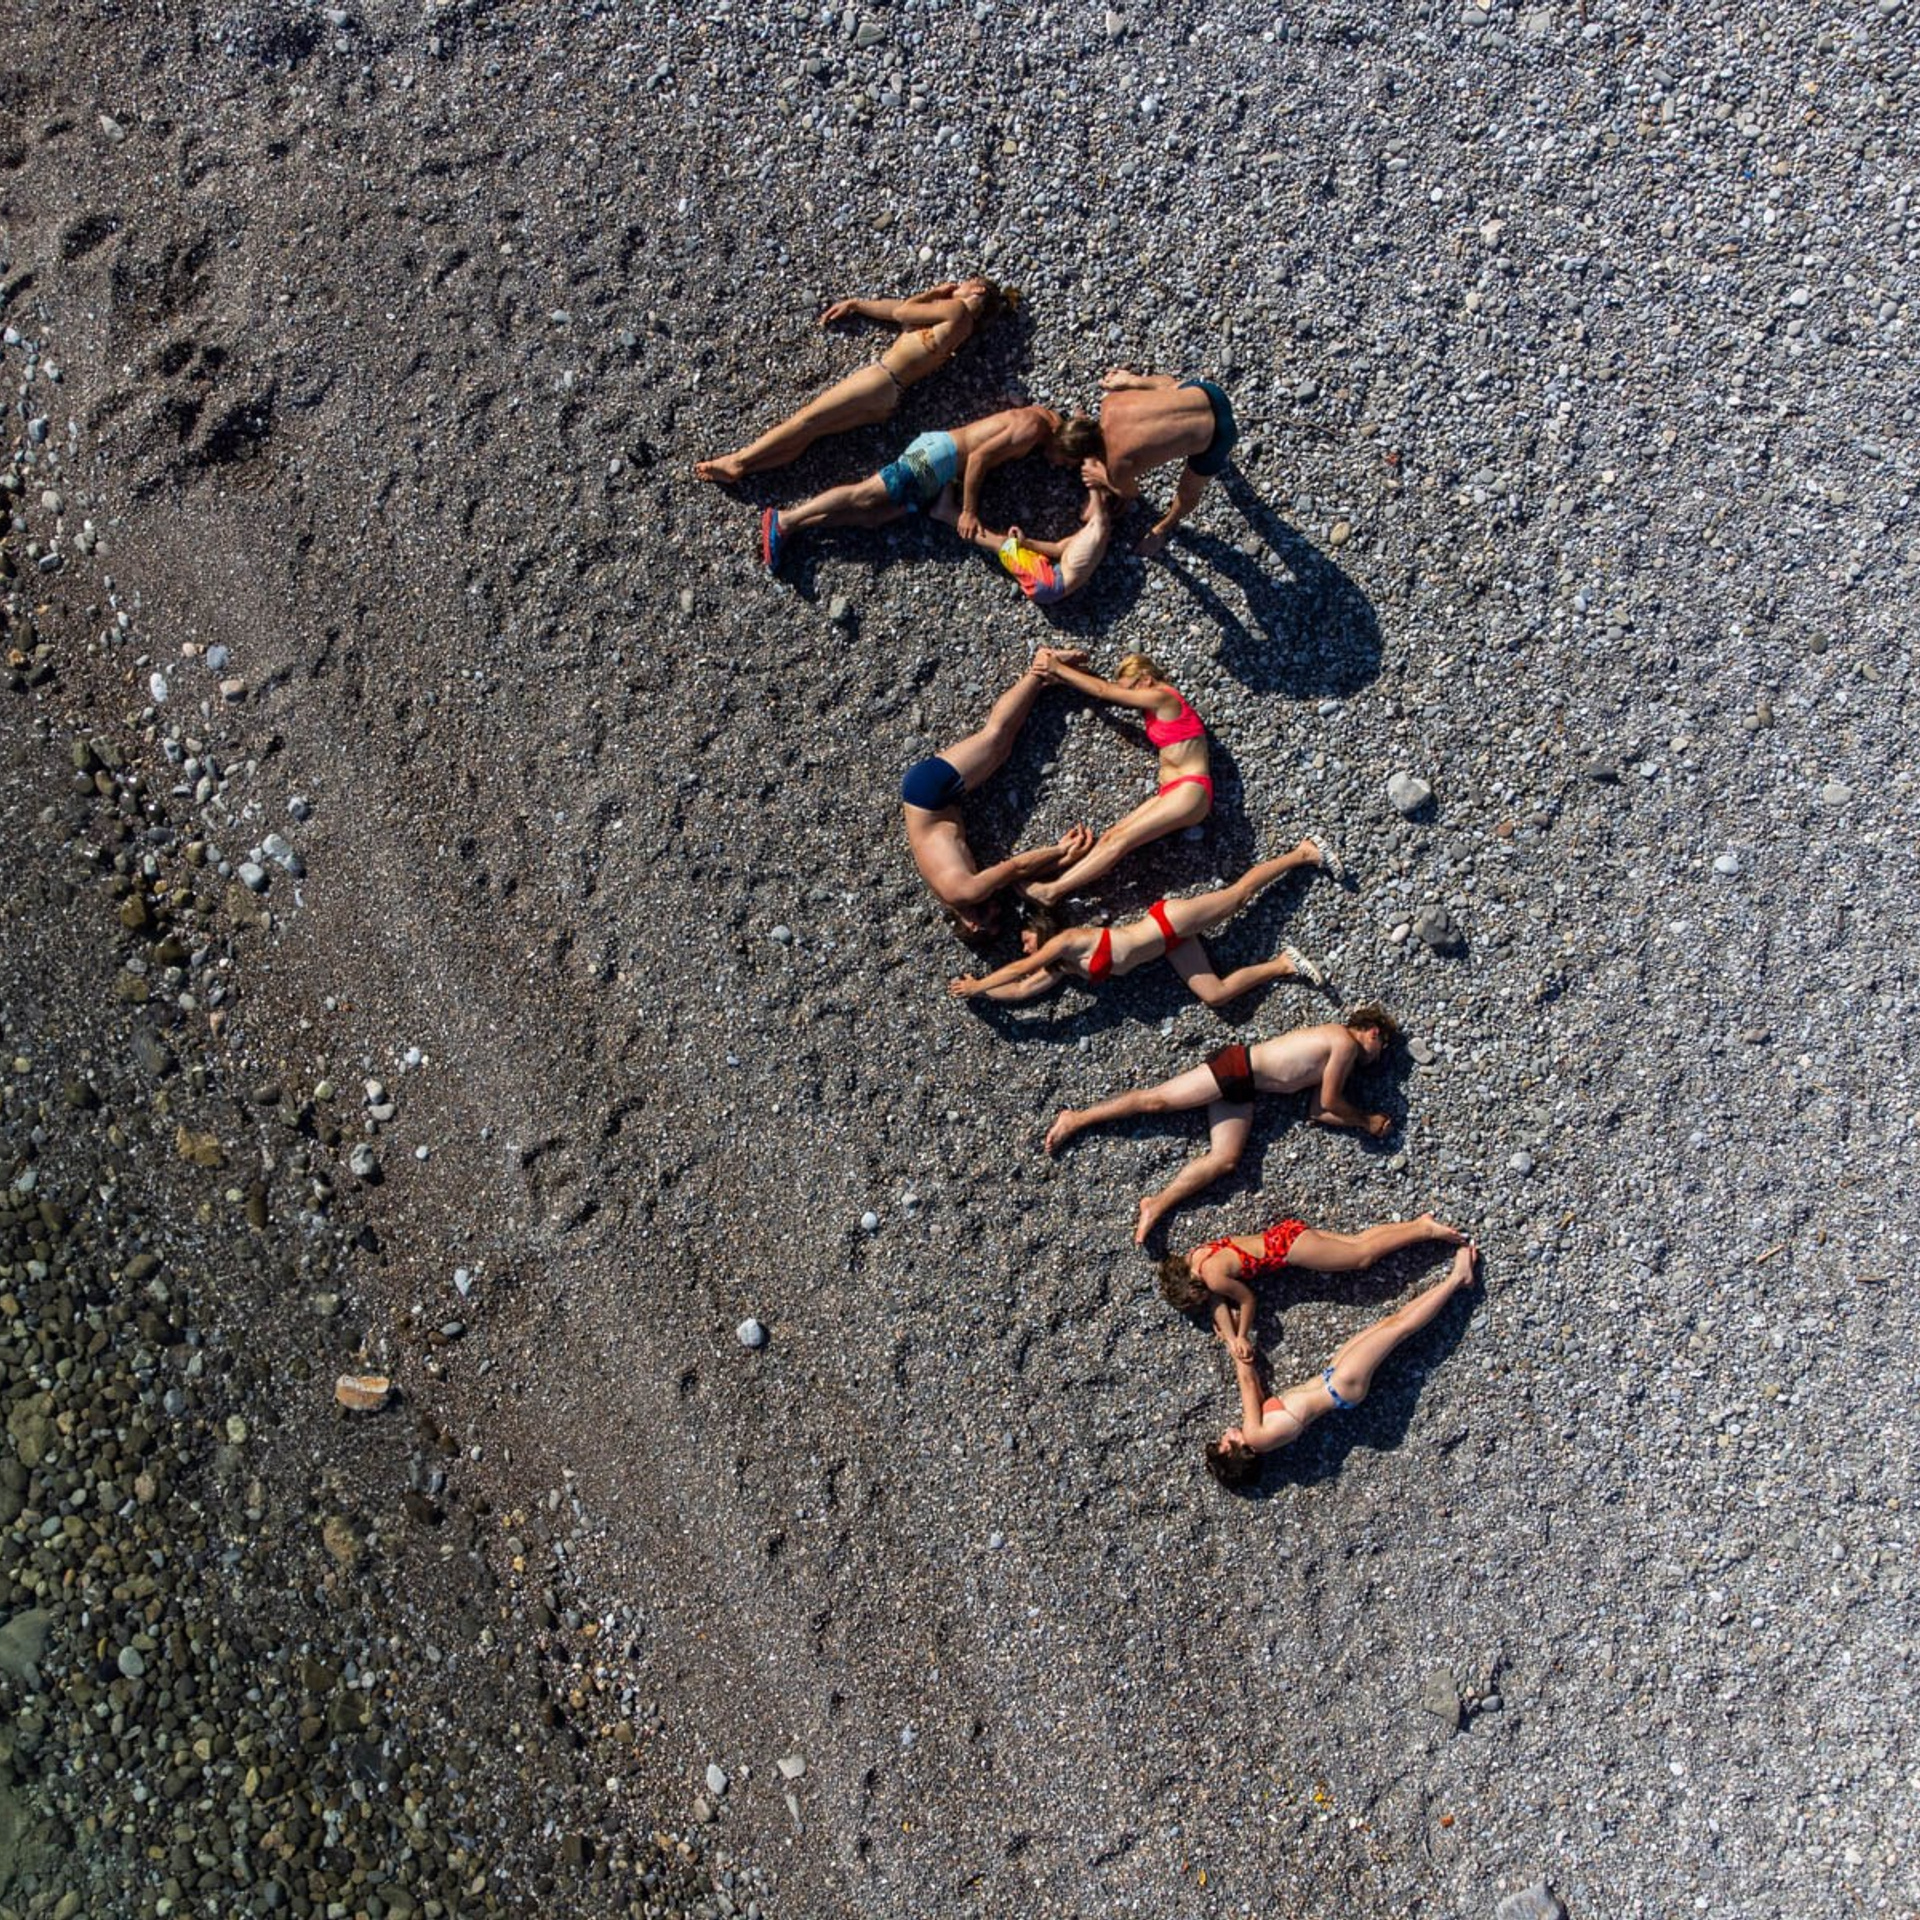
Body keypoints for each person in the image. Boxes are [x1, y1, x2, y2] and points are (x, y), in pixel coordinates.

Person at [1042, 1007, 1401, 1244]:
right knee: (1156, 1101)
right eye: (1381, 1047)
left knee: (1225, 1160)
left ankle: (1156, 1203)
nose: (1378, 1056)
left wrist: (1361, 1124)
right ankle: (1077, 1118)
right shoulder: (1344, 1042)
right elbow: (1333, 1101)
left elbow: (1319, 1110)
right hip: (1236, 1068)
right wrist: (1367, 1121)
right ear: (1372, 1031)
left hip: (1245, 1087)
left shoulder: (1341, 1052)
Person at [694, 277, 1017, 485]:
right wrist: (858, 305)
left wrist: (933, 292)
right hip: (890, 396)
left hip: (879, 379)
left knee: (805, 419)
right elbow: (899, 314)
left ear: (977, 290)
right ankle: (746, 469)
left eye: (965, 282)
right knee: (813, 432)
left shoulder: (958, 308)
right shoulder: (963, 329)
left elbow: (905, 312)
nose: (957, 284)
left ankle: (738, 460)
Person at [1204, 1243, 1480, 1486]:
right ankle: (1457, 1279)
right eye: (1223, 1442)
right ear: (1231, 1452)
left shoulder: (1263, 1439)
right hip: (1340, 1384)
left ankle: (1454, 1281)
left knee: (1392, 1324)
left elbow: (1255, 1385)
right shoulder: (1255, 1436)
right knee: (1399, 1328)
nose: (1225, 1434)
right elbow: (1248, 1383)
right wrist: (1234, 1341)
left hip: (1335, 1382)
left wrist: (1237, 1339)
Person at [947, 837, 1338, 1007]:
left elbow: (1019, 968)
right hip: (1172, 945)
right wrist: (978, 992)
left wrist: (982, 980)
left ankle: (1303, 853)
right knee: (1216, 995)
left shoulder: (1066, 942)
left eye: (1026, 938)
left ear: (1041, 928)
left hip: (1169, 921)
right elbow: (1021, 989)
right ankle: (1286, 963)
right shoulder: (1063, 968)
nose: (1025, 945)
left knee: (1238, 897)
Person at [758, 404, 1099, 572]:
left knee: (875, 517)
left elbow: (1074, 425)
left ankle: (795, 528)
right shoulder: (1032, 428)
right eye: (1065, 460)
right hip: (938, 457)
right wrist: (968, 510)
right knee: (866, 494)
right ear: (1065, 444)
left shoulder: (1050, 421)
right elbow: (979, 456)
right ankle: (786, 520)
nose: (1058, 466)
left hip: (942, 471)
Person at [903, 649, 1095, 942]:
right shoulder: (954, 895)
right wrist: (1063, 860)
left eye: (993, 918)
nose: (997, 909)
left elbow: (1015, 866)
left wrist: (1059, 850)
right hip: (930, 797)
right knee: (1001, 749)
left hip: (929, 791)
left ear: (973, 926)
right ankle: (1044, 682)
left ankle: (1041, 666)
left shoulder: (968, 892)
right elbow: (1014, 877)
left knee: (994, 738)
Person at [1022, 651, 1213, 906]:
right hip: (1174, 791)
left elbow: (1104, 691)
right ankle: (1053, 881)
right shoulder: (1154, 704)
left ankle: (1053, 891)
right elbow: (1106, 689)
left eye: (1132, 688)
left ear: (1145, 678)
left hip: (1190, 789)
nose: (1131, 697)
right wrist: (1065, 677)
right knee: (1113, 836)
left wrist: (1057, 667)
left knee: (1121, 841)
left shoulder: (1163, 695)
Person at [1158, 1211, 1467, 1360]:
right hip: (1284, 1234)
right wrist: (1228, 1339)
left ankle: (1425, 1231)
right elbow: (1218, 1301)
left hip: (1291, 1251)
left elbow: (1247, 1300)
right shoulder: (1197, 1256)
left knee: (1362, 1257)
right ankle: (1417, 1224)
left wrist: (1241, 1335)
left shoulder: (1212, 1278)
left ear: (1193, 1288)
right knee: (1358, 1241)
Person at [1084, 368, 1238, 557]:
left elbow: (1132, 492)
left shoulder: (1117, 464)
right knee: (1168, 390)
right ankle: (1132, 380)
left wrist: (1102, 477)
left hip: (1220, 437)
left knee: (1188, 492)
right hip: (1209, 392)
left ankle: (1163, 529)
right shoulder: (1110, 403)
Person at [930, 484, 1114, 605]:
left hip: (1048, 583)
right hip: (1050, 580)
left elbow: (1100, 517)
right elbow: (1057, 548)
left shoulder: (1097, 531)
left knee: (1003, 544)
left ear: (1100, 505)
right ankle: (948, 513)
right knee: (1007, 542)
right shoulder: (1086, 536)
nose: (1082, 505)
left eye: (1087, 502)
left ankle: (947, 514)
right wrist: (1027, 543)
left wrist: (1094, 482)